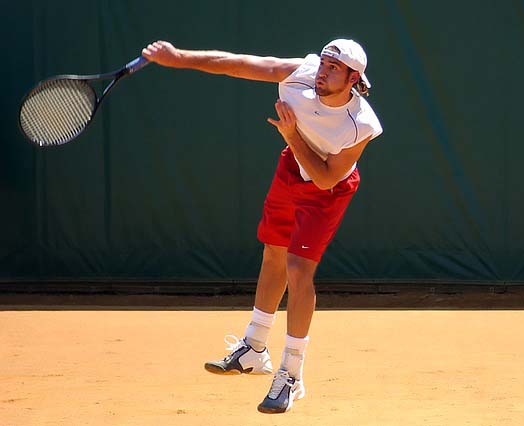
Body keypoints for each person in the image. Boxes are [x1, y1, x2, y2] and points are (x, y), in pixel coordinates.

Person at [142, 38, 383, 414]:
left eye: (334, 68)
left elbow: (324, 179)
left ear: (353, 78)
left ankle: (292, 373)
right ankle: (254, 348)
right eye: (323, 63)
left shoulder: (361, 124)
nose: (322, 72)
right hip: (292, 167)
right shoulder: (300, 73)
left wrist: (292, 135)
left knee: (298, 270)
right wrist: (179, 58)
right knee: (274, 251)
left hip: (328, 189)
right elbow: (235, 62)